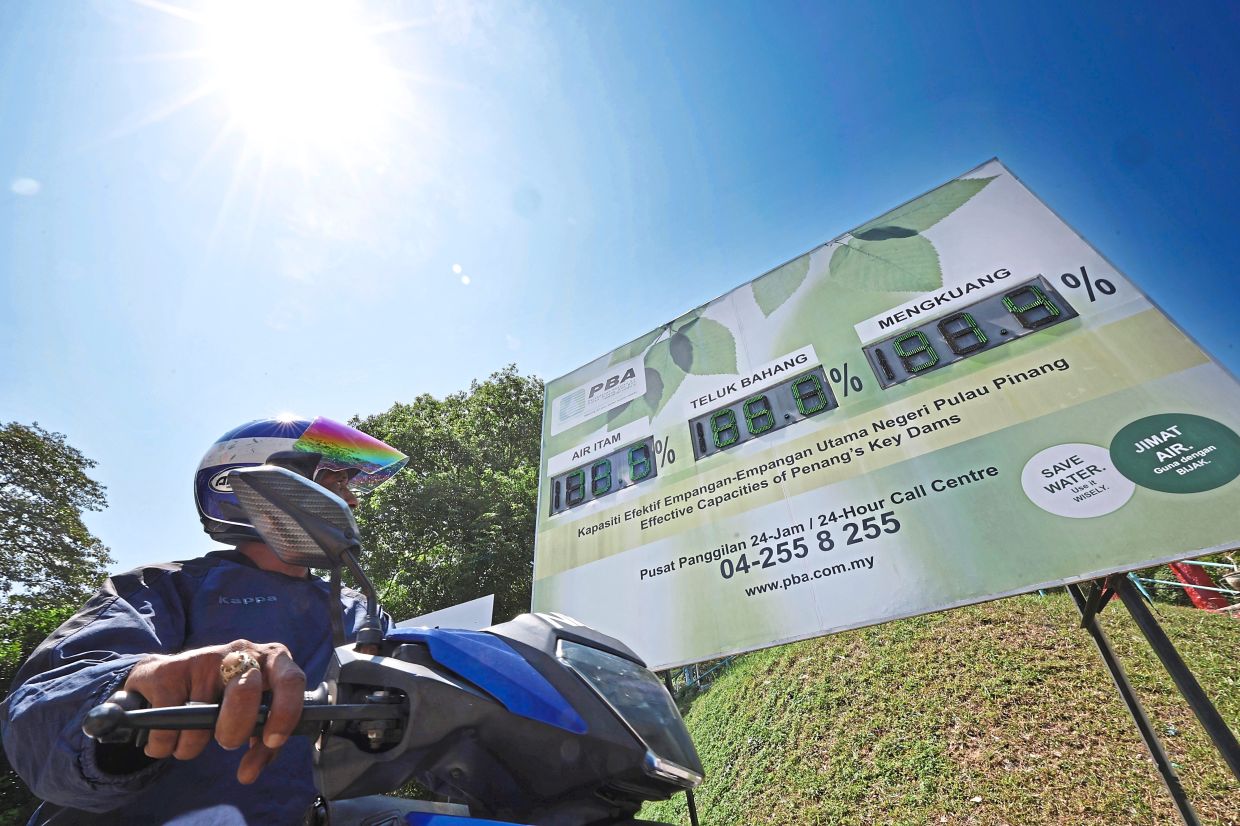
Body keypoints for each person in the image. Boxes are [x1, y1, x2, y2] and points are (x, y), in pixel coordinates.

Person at [1, 416, 408, 825]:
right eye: (336, 483)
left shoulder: (360, 611)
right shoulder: (163, 588)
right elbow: (38, 714)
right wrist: (139, 683)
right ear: (258, 486)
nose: (352, 502)